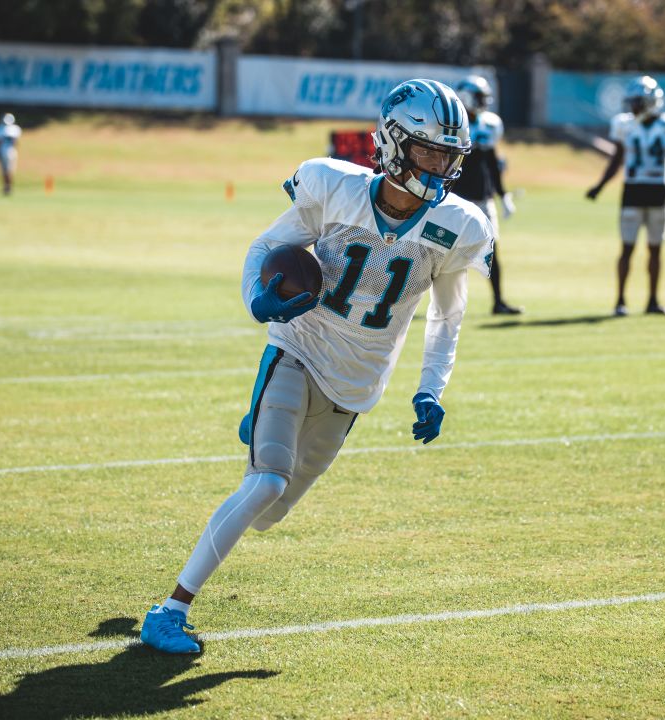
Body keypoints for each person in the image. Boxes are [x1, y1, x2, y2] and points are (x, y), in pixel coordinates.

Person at [139, 79, 494, 654]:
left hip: (357, 383)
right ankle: (169, 610)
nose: (440, 165)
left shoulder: (460, 226)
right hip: (298, 347)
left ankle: (261, 432)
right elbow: (265, 246)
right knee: (267, 480)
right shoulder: (334, 186)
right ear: (395, 143)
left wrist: (432, 389)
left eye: (449, 155)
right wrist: (258, 297)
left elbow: (446, 318)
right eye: (429, 150)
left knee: (267, 515)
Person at [586, 75, 665, 317]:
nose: (633, 107)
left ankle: (652, 300)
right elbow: (617, 159)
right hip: (633, 189)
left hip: (657, 190)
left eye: (638, 102)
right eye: (632, 102)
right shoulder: (625, 124)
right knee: (627, 249)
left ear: (651, 101)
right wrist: (600, 186)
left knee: (655, 249)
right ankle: (620, 301)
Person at [452, 74, 521, 315]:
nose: (483, 102)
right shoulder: (452, 123)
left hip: (482, 197)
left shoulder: (489, 123)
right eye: (479, 97)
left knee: (491, 252)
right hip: (456, 199)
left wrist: (503, 195)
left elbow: (492, 163)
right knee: (443, 253)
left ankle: (498, 301)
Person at [0, 113, 22, 195]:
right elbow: (16, 142)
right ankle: (8, 187)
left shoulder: (1, 128)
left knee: (5, 171)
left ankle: (7, 187)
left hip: (4, 151)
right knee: (9, 170)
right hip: (12, 151)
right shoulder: (16, 129)